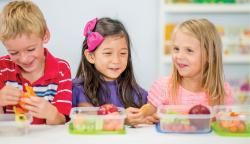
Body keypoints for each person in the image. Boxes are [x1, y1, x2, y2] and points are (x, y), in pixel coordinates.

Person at [140, 18, 234, 117]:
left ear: (210, 56)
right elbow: (148, 111)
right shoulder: (163, 87)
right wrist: (145, 115)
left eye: (189, 50)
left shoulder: (223, 92)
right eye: (176, 49)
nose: (179, 56)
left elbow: (226, 122)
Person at [0, 1, 72, 124]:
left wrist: (51, 113)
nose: (24, 59)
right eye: (14, 53)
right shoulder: (2, 68)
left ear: (45, 35)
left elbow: (61, 122)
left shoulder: (61, 69)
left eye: (30, 49)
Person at [72, 17, 153, 126]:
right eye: (108, 53)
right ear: (91, 56)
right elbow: (86, 120)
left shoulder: (139, 94)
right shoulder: (78, 90)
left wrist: (150, 117)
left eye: (123, 53)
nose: (116, 60)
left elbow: (149, 121)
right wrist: (122, 118)